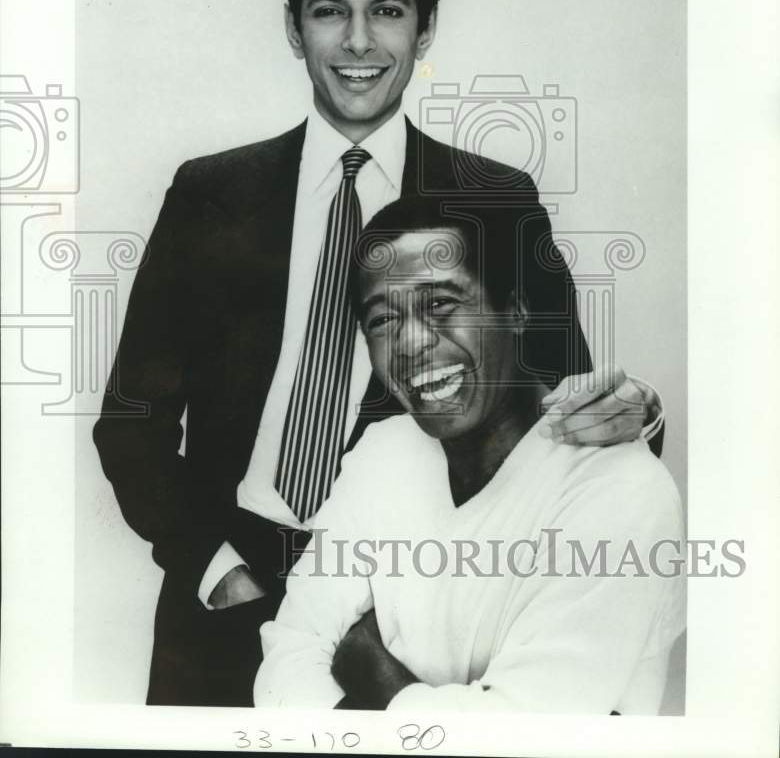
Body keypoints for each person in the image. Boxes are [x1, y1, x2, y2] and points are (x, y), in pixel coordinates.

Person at [93, 0, 663, 707]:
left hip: (413, 614)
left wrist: (636, 414)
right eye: (329, 11)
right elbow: (132, 423)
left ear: (424, 29)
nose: (358, 42)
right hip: (223, 600)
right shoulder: (210, 192)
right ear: (295, 29)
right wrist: (221, 574)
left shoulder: (494, 199)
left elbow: (558, 407)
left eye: (388, 11)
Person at [255, 196, 685, 713]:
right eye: (382, 320)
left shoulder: (617, 489)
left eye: (441, 304)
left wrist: (368, 664)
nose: (411, 342)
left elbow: (515, 739)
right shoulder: (384, 452)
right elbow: (288, 659)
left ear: (516, 309)